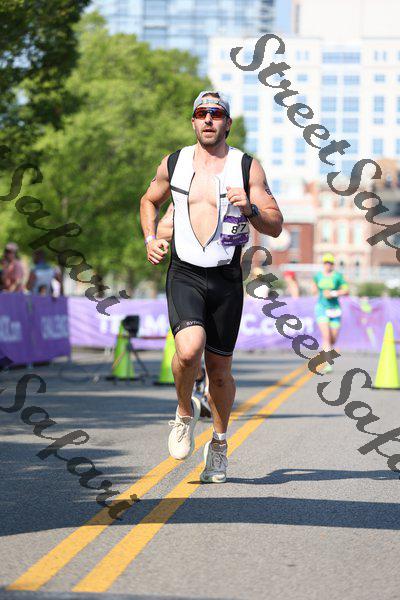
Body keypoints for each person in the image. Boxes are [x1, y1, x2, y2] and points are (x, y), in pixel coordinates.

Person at [140, 90, 283, 483]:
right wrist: (150, 238)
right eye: (201, 113)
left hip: (226, 278)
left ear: (227, 123)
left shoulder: (246, 167)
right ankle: (184, 413)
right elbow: (148, 200)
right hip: (184, 272)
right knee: (188, 350)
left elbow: (275, 223)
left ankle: (219, 444)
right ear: (193, 121)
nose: (208, 119)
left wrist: (251, 208)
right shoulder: (174, 162)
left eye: (216, 114)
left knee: (219, 373)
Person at [312, 253, 349, 373]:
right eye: (326, 263)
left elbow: (346, 291)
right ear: (323, 264)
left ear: (333, 264)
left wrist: (333, 293)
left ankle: (327, 350)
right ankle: (328, 363)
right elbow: (314, 289)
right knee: (326, 337)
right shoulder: (318, 276)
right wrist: (316, 291)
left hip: (335, 309)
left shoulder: (338, 276)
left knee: (333, 339)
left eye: (330, 263)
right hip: (321, 308)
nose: (328, 265)